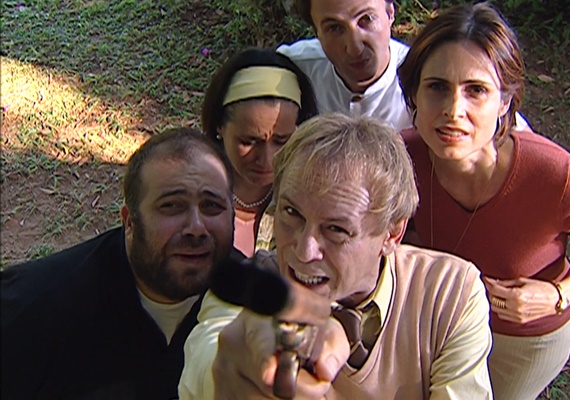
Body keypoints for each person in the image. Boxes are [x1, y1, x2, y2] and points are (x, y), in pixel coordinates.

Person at [397, 2, 570, 400]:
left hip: (522, 341)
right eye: (437, 87)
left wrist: (559, 294)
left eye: (476, 90)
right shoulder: (400, 159)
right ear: (415, 93)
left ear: (504, 101)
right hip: (441, 323)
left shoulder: (557, 176)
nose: (453, 111)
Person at [179, 113, 494, 399]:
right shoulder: (248, 287)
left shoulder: (450, 294)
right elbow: (206, 357)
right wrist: (240, 368)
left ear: (392, 234)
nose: (304, 251)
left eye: (336, 229)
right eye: (292, 213)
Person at [1, 128, 239, 400]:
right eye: (172, 206)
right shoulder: (33, 314)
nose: (196, 228)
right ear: (130, 222)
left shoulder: (252, 309)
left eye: (212, 206)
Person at [277, 0, 529, 132]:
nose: (353, 47)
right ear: (316, 30)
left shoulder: (429, 75)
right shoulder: (293, 68)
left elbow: (518, 136)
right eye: (334, 28)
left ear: (390, 13)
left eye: (366, 19)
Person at [201, 48, 318, 257]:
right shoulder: (191, 190)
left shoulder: (311, 195)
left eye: (281, 141)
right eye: (248, 141)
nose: (266, 159)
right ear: (220, 127)